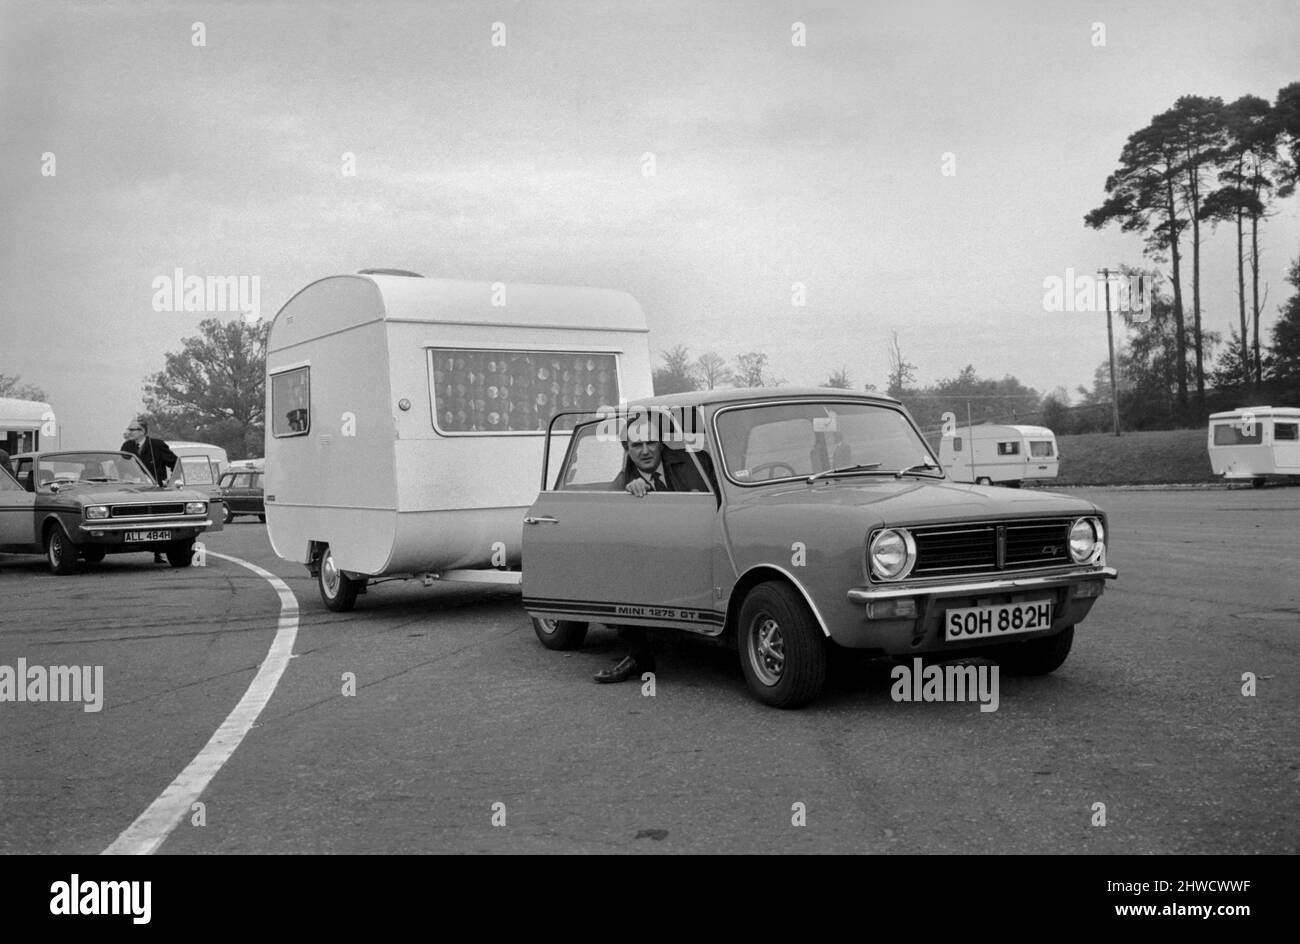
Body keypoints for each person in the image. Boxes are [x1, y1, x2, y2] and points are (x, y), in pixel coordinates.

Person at [593, 414, 712, 684]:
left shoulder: (697, 462)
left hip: (705, 545)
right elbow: (606, 520)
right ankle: (639, 656)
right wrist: (628, 493)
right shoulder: (624, 480)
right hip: (657, 557)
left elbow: (722, 498)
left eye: (650, 442)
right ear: (627, 450)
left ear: (661, 443)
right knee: (623, 569)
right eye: (636, 445)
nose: (645, 450)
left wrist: (700, 500)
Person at [120, 419, 178, 563]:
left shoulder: (157, 445)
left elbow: (175, 463)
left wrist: (170, 482)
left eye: (133, 430)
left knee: (158, 521)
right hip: (132, 490)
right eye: (129, 429)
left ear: (143, 431)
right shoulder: (127, 446)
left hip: (156, 490)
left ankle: (160, 552)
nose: (129, 432)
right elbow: (120, 466)